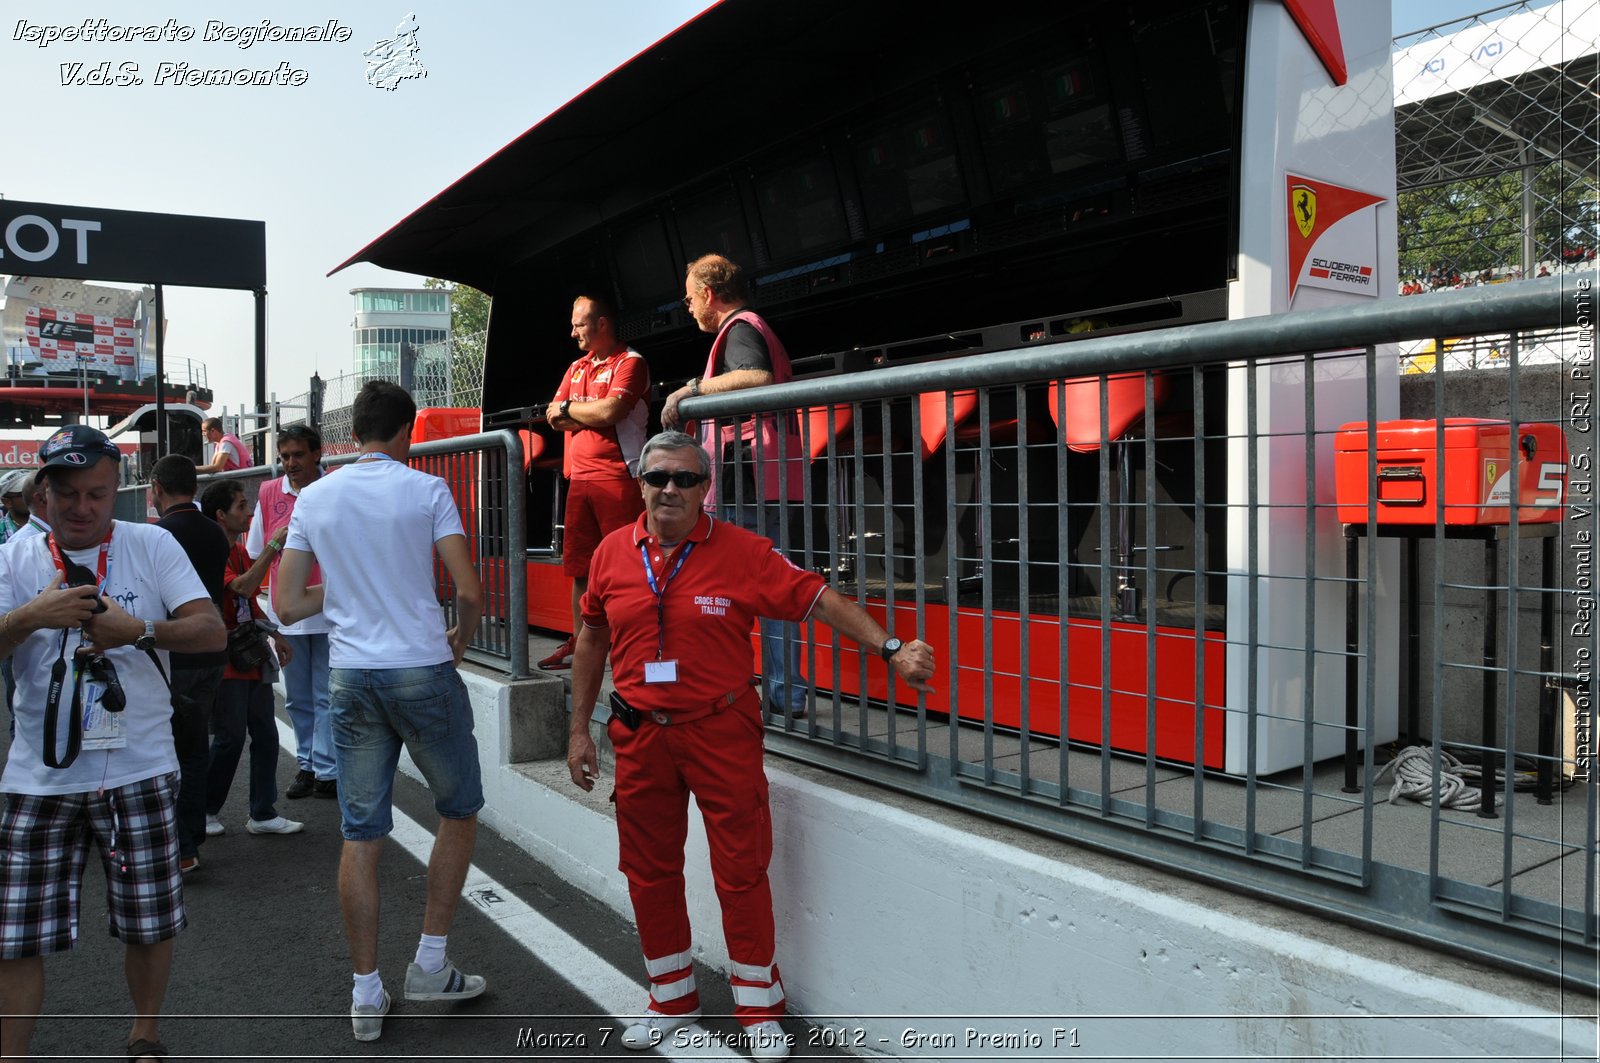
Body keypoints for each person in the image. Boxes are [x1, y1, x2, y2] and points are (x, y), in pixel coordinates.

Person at [566, 431, 936, 1062]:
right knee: (649, 871)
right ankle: (670, 996)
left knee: (741, 870)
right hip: (638, 734)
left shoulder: (742, 552)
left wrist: (891, 648)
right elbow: (591, 638)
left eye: (685, 479)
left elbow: (817, 597)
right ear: (642, 485)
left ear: (706, 489)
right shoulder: (609, 554)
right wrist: (578, 728)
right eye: (658, 478)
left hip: (720, 731)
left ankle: (759, 1007)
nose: (670, 490)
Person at [0, 424, 226, 1062]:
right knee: (15, 935)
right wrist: (28, 618)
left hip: (140, 768)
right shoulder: (14, 556)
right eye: (67, 493)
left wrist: (139, 632)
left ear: (115, 492)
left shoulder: (151, 544)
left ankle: (144, 1034)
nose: (81, 507)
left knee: (148, 921)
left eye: (96, 494)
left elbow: (209, 631)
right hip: (38, 777)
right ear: (42, 492)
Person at [274, 381, 487, 1044]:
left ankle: (366, 994)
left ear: (352, 432)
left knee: (361, 831)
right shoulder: (426, 490)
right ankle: (429, 962)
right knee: (458, 808)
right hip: (421, 667)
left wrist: (348, 587)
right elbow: (470, 588)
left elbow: (287, 604)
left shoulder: (313, 496)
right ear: (408, 430)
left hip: (351, 674)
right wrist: (464, 636)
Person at [662, 254, 809, 721]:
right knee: (774, 589)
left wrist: (692, 391)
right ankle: (784, 696)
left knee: (728, 590)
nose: (687, 307)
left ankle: (735, 692)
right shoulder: (748, 326)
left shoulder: (740, 326)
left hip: (748, 480)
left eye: (689, 297)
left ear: (709, 294)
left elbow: (755, 377)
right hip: (766, 479)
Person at [539, 295, 651, 670]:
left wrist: (575, 411)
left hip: (620, 477)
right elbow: (554, 417)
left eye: (579, 325)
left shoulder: (631, 362)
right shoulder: (576, 367)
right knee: (580, 569)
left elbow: (611, 411)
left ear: (602, 324)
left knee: (626, 568)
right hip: (580, 480)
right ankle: (580, 646)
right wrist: (583, 413)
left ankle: (628, 648)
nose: (573, 333)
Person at [150, 455, 236, 872]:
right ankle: (192, 835)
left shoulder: (158, 535)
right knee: (197, 746)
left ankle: (180, 844)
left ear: (156, 490)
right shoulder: (216, 534)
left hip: (176, 654)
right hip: (213, 653)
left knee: (168, 749)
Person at [200, 479, 298, 839]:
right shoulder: (212, 551)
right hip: (224, 656)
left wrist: (274, 632)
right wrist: (274, 545)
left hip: (248, 652)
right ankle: (204, 809)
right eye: (242, 506)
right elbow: (241, 587)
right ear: (221, 514)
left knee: (266, 734)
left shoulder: (238, 550)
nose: (249, 512)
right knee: (229, 738)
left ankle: (262, 811)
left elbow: (248, 602)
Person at [246, 424, 335, 799]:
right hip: (288, 611)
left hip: (330, 605)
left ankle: (328, 770)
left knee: (327, 692)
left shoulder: (335, 490)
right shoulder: (269, 493)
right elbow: (254, 550)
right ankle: (306, 765)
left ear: (317, 453)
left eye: (298, 454)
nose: (290, 463)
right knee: (298, 696)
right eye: (284, 457)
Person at [0, 469, 31, 542]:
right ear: (7, 502)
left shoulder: (56, 524)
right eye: (25, 493)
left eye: (36, 489)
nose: (35, 495)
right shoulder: (1, 533)